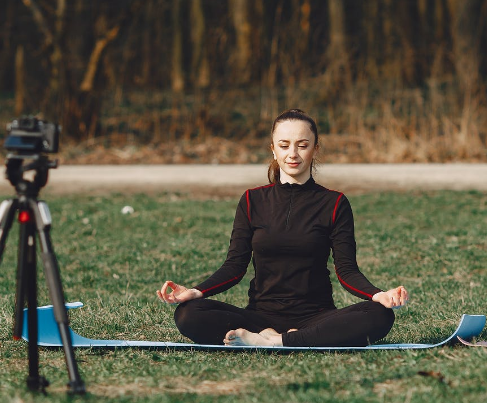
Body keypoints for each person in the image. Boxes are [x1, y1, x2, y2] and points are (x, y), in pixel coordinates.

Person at [156, 109, 408, 347]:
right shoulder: (251, 200)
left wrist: (377, 295)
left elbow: (346, 271)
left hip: (316, 316)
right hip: (258, 318)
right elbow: (234, 267)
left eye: (303, 145)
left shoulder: (335, 203)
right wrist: (196, 291)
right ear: (273, 150)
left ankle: (275, 341)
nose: (293, 154)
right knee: (188, 314)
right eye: (284, 145)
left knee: (379, 315)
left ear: (315, 149)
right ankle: (278, 336)